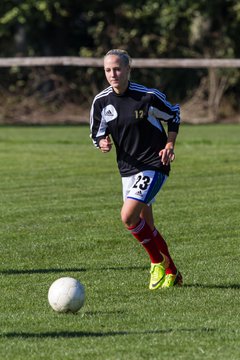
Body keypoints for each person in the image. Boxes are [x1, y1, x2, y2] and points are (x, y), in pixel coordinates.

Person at [90, 49, 182, 290]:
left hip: (153, 164)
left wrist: (169, 144)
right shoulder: (101, 101)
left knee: (127, 216)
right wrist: (102, 142)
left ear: (129, 69)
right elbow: (97, 132)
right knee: (147, 226)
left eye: (118, 69)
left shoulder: (148, 96)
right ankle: (173, 271)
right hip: (127, 169)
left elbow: (173, 115)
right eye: (108, 70)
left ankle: (156, 263)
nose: (113, 74)